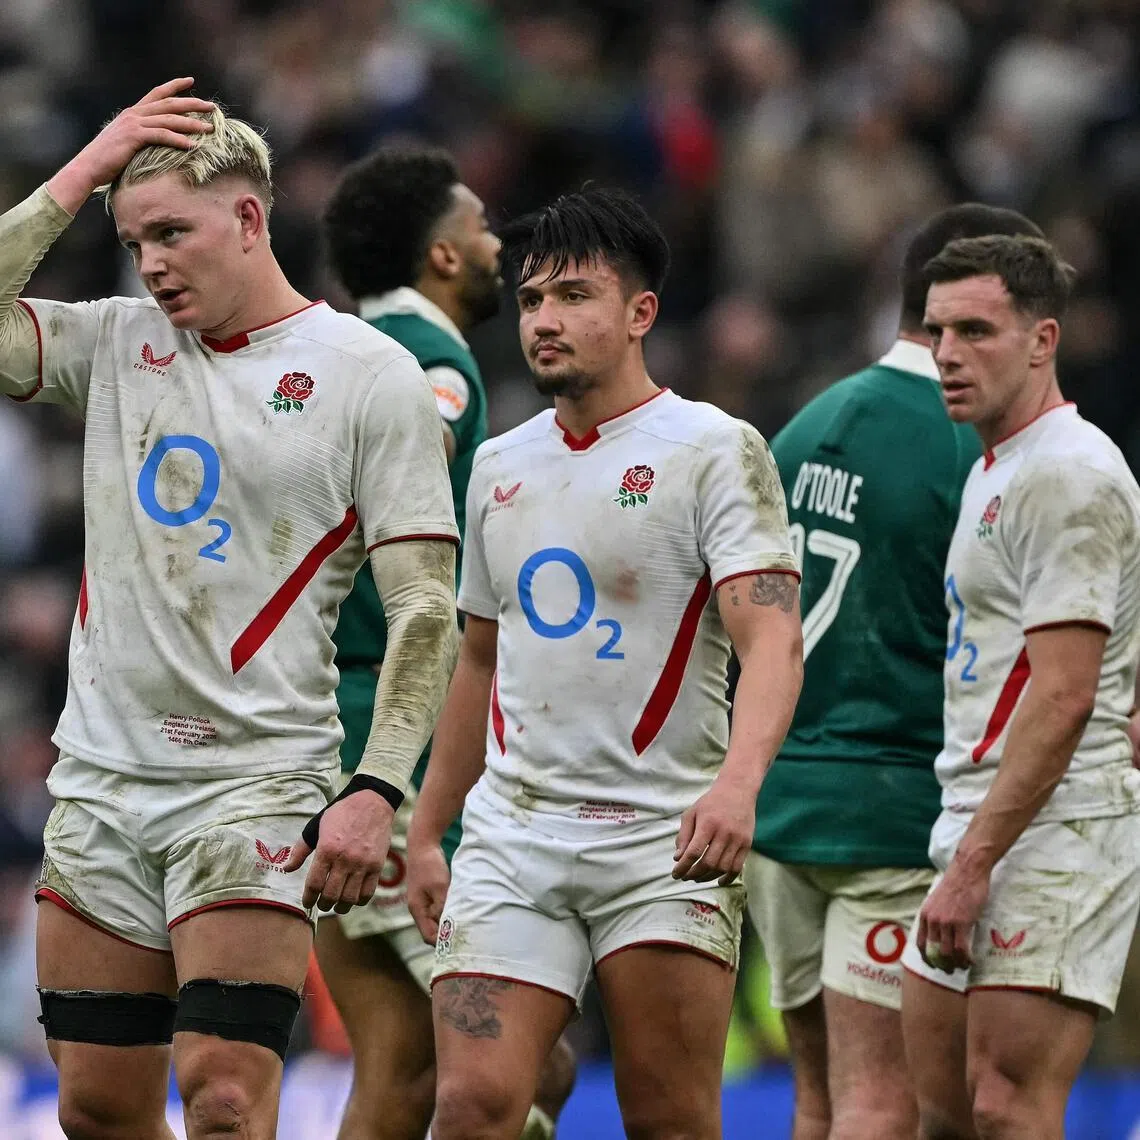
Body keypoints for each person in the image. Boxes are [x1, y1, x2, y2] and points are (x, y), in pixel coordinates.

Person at [0, 80, 460, 1139]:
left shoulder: (369, 376)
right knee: (98, 1109)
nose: (151, 261)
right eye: (133, 240)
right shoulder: (114, 344)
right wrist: (85, 165)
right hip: (105, 783)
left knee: (222, 1095)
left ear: (249, 219)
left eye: (172, 232)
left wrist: (376, 786)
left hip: (253, 785)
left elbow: (426, 605)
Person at [406, 186, 804, 1140]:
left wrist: (738, 788)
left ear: (639, 314)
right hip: (514, 840)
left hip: (662, 843)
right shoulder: (498, 464)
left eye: (574, 296)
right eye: (534, 298)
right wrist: (429, 829)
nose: (544, 320)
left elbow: (772, 640)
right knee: (470, 1105)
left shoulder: (716, 450)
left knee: (667, 1119)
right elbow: (477, 661)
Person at [745, 205, 1045, 1140]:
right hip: (892, 814)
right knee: (884, 1103)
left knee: (816, 1098)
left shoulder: (798, 430)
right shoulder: (974, 444)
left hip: (778, 809)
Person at [316, 144, 575, 1140]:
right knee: (525, 1062)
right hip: (385, 732)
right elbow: (370, 498)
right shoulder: (429, 364)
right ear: (439, 255)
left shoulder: (336, 350)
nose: (494, 241)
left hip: (330, 720)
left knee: (401, 1074)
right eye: (477, 223)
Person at [899, 234, 1140, 1140]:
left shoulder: (1068, 473)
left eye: (976, 330)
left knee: (1007, 1109)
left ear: (1043, 340)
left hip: (1057, 831)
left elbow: (1067, 693)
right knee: (946, 1116)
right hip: (976, 814)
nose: (949, 355)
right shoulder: (1000, 465)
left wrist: (973, 866)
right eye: (936, 332)